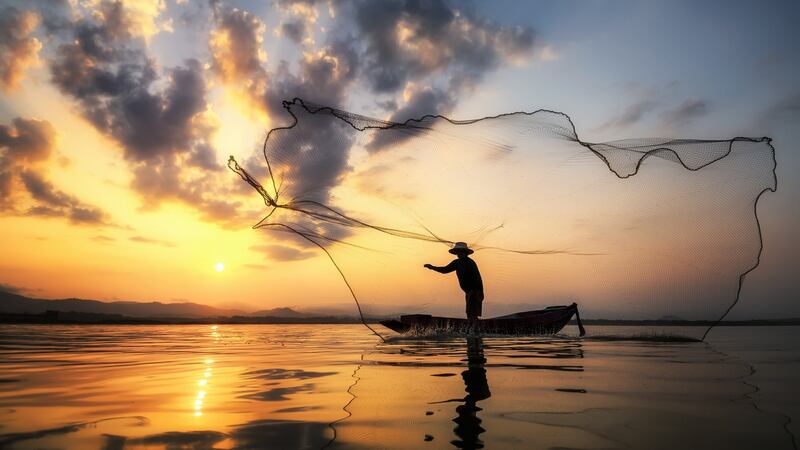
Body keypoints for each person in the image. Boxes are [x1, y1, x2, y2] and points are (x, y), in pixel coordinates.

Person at [424, 242, 484, 331]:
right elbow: (445, 270)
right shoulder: (456, 263)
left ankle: (474, 331)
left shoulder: (470, 263)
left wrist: (479, 293)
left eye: (461, 252)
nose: (459, 254)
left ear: (465, 253)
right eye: (458, 253)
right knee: (469, 312)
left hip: (475, 290)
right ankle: (472, 330)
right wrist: (432, 267)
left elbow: (478, 279)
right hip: (468, 292)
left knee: (472, 312)